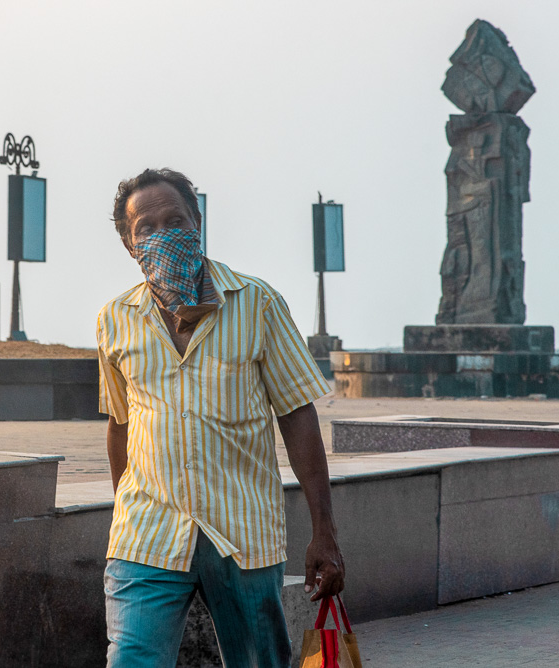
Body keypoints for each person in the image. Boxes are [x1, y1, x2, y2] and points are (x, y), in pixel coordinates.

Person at [97, 168, 344, 667]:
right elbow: (121, 424)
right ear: (129, 245)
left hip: (242, 534)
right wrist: (125, 508)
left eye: (176, 221)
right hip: (146, 534)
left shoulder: (258, 304)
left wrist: (324, 531)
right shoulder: (115, 319)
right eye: (147, 229)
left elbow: (297, 416)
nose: (164, 236)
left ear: (198, 223)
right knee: (131, 659)